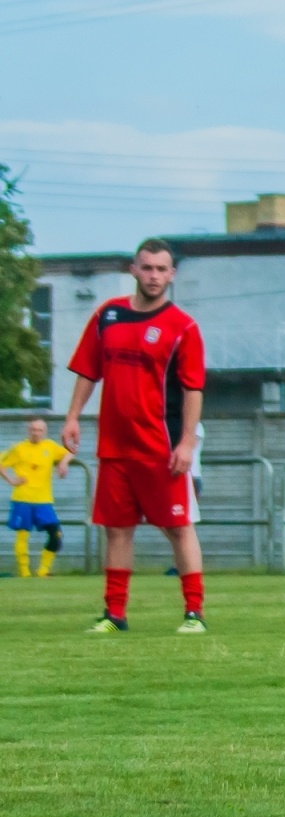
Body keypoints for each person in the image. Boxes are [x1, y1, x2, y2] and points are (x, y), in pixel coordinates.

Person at [61, 237, 209, 634]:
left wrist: (187, 442)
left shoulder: (182, 327)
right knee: (117, 529)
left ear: (172, 274)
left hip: (161, 448)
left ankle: (194, 613)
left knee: (178, 528)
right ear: (134, 270)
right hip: (115, 447)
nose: (154, 276)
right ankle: (115, 615)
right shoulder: (108, 315)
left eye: (161, 269)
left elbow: (193, 389)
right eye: (147, 268)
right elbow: (88, 370)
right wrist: (72, 417)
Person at [1, 419, 72, 577]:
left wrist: (63, 463)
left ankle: (43, 570)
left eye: (40, 430)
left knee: (56, 534)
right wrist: (11, 480)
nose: (36, 433)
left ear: (44, 432)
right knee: (23, 535)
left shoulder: (50, 446)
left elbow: (70, 452)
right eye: (33, 429)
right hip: (22, 498)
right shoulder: (18, 448)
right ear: (29, 430)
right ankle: (24, 572)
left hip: (44, 500)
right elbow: (1, 463)